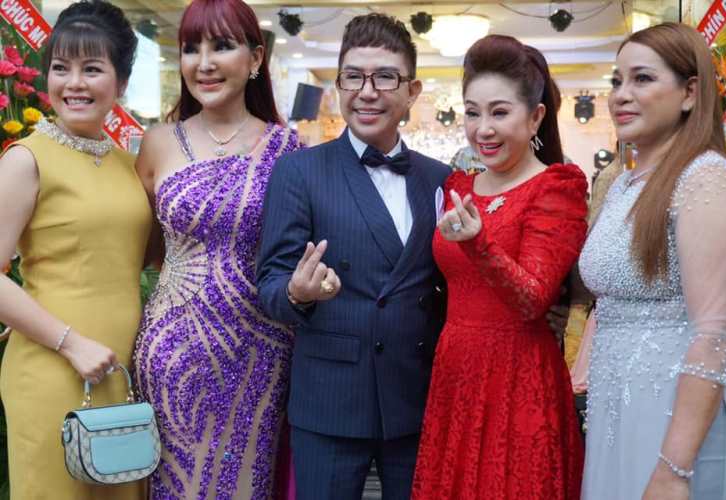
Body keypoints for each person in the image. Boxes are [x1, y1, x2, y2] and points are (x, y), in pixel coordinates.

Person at [257, 13, 450, 500]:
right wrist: (297, 293)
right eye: (353, 77)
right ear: (338, 85)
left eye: (385, 77)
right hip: (330, 400)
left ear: (412, 91)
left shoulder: (439, 178)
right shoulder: (300, 172)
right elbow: (271, 286)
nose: (367, 92)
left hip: (416, 394)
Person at [132, 0, 300, 497]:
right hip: (170, 351)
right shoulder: (157, 143)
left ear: (255, 58)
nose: (203, 63)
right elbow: (141, 249)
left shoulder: (289, 150)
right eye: (191, 49)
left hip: (261, 353)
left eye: (221, 46)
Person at [411, 35, 587, 500]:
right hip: (455, 372)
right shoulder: (458, 185)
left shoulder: (556, 189)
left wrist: (479, 244)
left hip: (518, 375)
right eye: (472, 113)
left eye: (499, 112)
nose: (483, 129)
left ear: (536, 117)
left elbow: (533, 299)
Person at [579, 22, 726, 499]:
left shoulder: (707, 179)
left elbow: (715, 334)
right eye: (617, 81)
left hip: (676, 420)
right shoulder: (624, 184)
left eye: (642, 79)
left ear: (690, 92)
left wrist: (675, 468)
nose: (621, 95)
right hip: (618, 410)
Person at [0, 1, 149, 498]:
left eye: (92, 69)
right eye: (61, 68)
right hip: (54, 369)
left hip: (122, 372)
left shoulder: (128, 164)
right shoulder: (26, 159)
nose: (74, 83)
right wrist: (71, 344)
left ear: (121, 82)